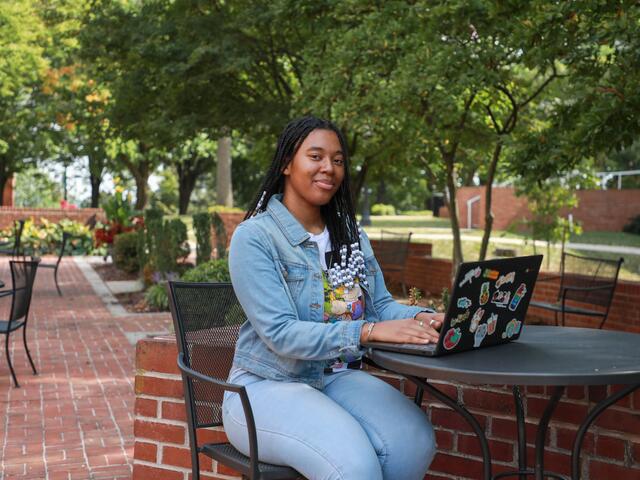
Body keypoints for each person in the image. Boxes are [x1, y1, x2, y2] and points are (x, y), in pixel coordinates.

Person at [223, 116, 443, 480]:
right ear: (286, 164)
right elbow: (280, 333)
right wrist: (366, 333)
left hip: (334, 378)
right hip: (264, 388)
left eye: (338, 160)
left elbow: (380, 306)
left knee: (414, 441)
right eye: (315, 156)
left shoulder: (349, 234)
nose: (329, 168)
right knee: (354, 466)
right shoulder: (256, 237)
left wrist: (424, 318)